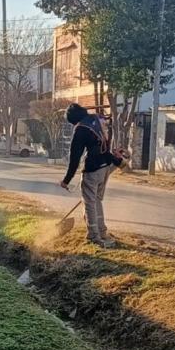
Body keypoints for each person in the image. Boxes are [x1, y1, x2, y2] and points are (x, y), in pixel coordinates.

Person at [59, 103, 126, 248]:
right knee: (96, 200)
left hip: (93, 170)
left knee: (89, 203)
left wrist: (66, 180)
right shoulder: (97, 120)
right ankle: (102, 231)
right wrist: (117, 161)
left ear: (74, 120)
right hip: (105, 167)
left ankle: (94, 236)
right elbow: (105, 146)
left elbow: (75, 158)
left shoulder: (81, 129)